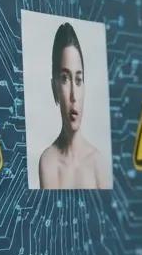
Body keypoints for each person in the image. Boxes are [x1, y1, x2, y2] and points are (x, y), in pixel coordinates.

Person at [38, 21, 108, 189]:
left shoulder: (98, 163)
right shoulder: (48, 163)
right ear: (54, 87)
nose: (73, 96)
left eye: (78, 80)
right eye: (64, 79)